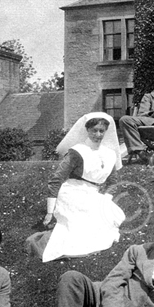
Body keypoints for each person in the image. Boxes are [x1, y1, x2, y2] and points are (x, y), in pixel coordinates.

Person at [25, 112, 125, 262]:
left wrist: (106, 200)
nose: (97, 134)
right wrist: (49, 212)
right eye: (94, 130)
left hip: (93, 193)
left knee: (111, 216)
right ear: (87, 130)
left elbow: (113, 182)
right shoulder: (77, 152)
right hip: (72, 192)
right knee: (85, 225)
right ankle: (43, 242)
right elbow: (56, 180)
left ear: (106, 131)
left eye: (101, 131)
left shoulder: (110, 154)